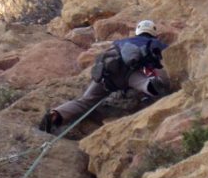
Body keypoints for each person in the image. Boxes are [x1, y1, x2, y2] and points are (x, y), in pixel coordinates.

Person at [39, 20, 170, 133]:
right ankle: (151, 85)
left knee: (85, 101)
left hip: (106, 75)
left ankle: (56, 114)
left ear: (137, 31)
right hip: (129, 74)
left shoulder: (120, 42)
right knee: (146, 83)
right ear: (153, 33)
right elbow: (167, 57)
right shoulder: (154, 42)